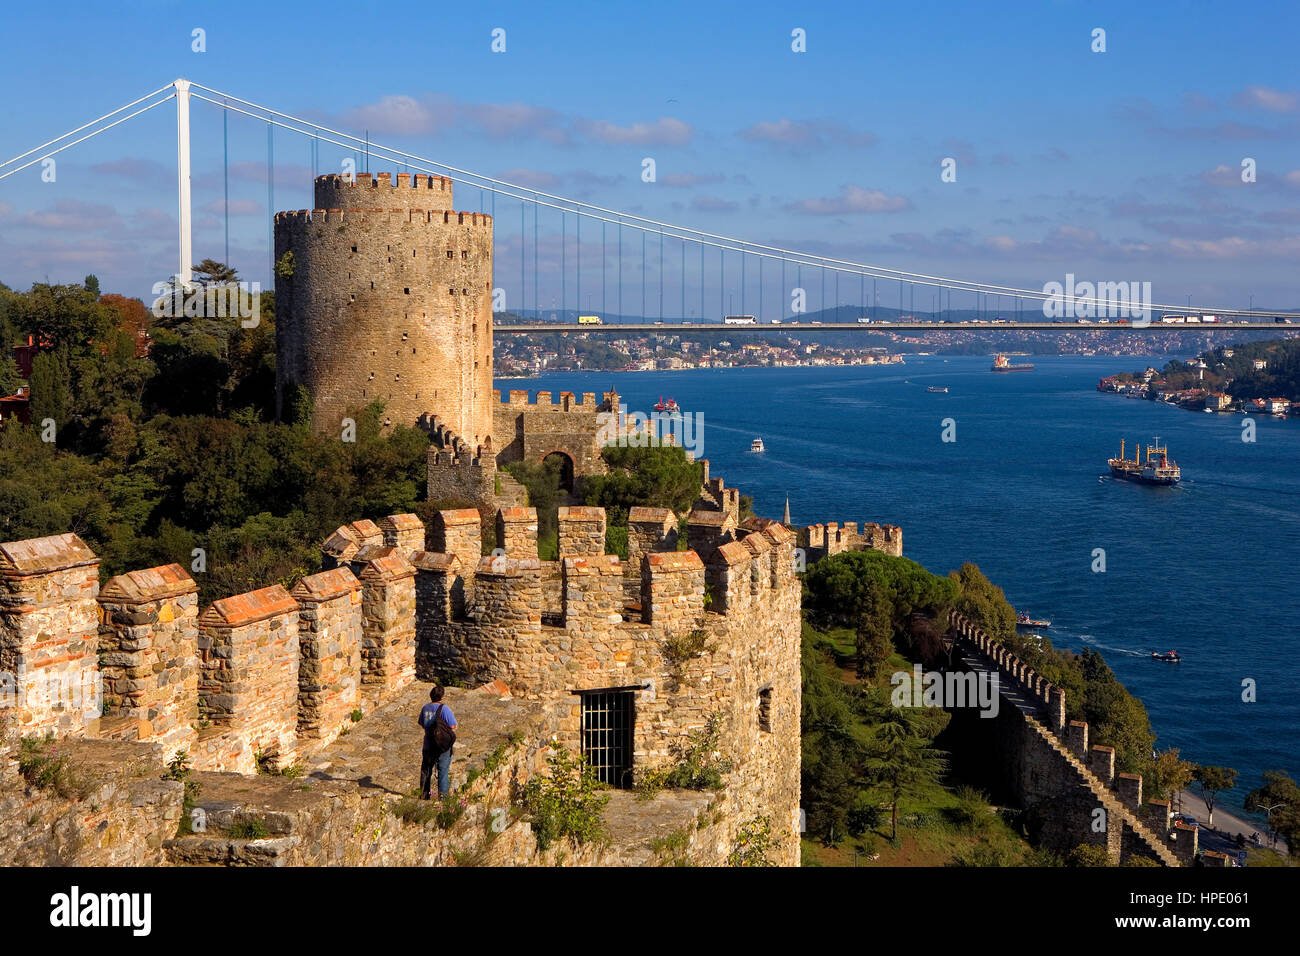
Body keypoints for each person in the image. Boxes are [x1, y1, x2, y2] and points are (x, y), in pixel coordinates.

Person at [417, 686, 457, 799]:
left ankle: (425, 796)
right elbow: (452, 725)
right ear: (442, 696)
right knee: (443, 773)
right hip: (442, 746)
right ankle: (442, 799)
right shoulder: (444, 709)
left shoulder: (425, 708)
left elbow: (421, 723)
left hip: (428, 744)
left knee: (426, 771)